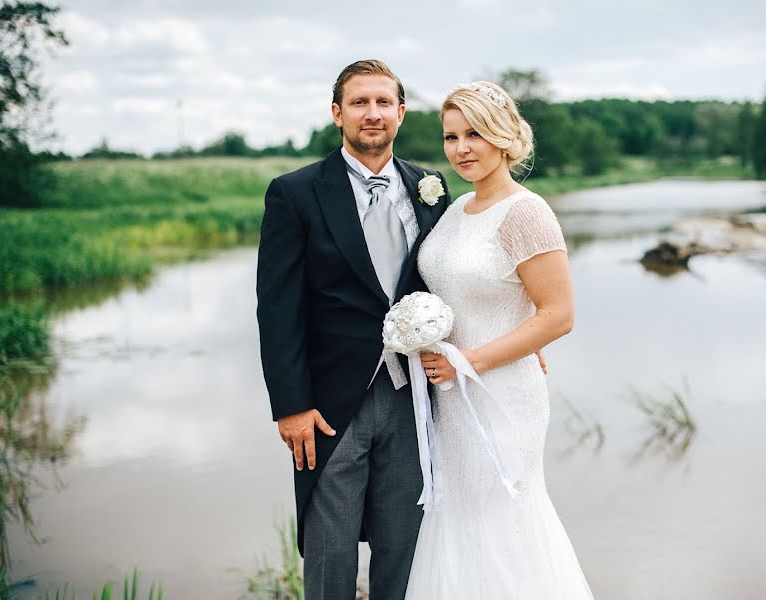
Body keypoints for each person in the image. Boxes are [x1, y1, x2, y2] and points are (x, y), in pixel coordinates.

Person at [255, 59, 451, 600]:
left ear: (401, 112)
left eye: (384, 102)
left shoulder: (429, 188)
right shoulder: (294, 193)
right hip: (328, 404)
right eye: (360, 103)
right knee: (330, 550)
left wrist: (512, 348)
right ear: (337, 114)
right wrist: (290, 404)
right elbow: (277, 309)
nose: (373, 113)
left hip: (412, 397)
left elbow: (449, 284)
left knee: (404, 545)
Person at [407, 82, 595, 598]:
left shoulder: (526, 212)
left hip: (500, 392)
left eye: (475, 134)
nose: (462, 148)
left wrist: (470, 361)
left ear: (505, 136)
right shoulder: (454, 206)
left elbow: (558, 315)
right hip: (449, 399)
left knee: (502, 515)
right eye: (451, 136)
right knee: (459, 515)